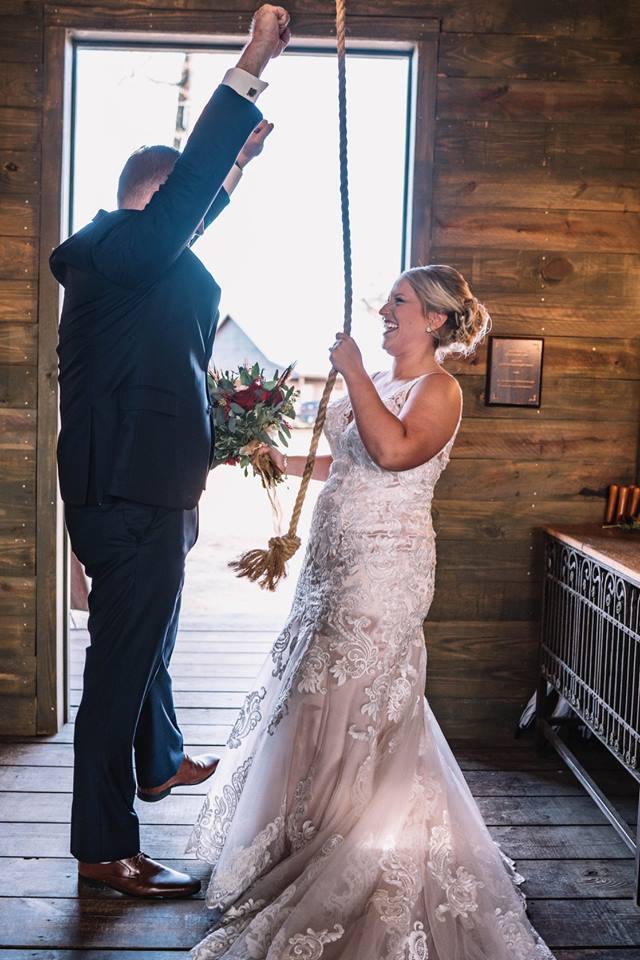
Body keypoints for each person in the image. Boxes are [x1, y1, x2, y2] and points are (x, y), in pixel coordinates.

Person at [188, 265, 556, 959]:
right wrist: (281, 461)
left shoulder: (438, 389)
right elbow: (353, 460)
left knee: (360, 699)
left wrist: (352, 370)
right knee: (314, 695)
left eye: (400, 301)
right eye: (387, 300)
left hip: (385, 570)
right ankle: (309, 833)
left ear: (436, 320)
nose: (385, 309)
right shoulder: (382, 380)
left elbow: (393, 453)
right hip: (333, 562)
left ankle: (357, 846)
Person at [49, 4, 291, 899]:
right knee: (117, 676)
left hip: (152, 490)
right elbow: (184, 202)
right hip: (131, 497)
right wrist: (251, 64)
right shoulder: (118, 249)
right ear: (155, 197)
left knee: (148, 640)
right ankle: (104, 849)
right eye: (184, 198)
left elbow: (192, 209)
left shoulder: (132, 256)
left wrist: (236, 170)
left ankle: (158, 762)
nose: (194, 212)